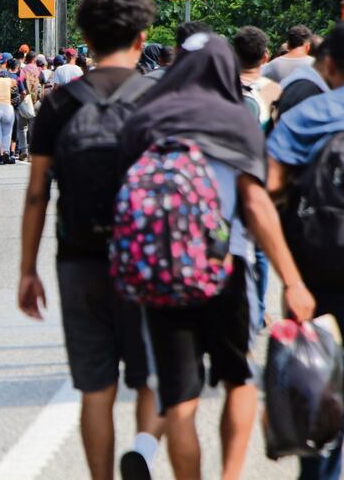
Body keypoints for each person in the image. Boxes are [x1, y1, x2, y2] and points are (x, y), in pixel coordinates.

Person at [120, 32, 315, 480]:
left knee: (179, 397)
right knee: (238, 379)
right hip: (227, 266)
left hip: (163, 270)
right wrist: (292, 280)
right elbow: (257, 205)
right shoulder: (235, 118)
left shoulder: (145, 119)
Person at [20, 0, 163, 480]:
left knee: (95, 390)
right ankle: (143, 452)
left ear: (85, 40)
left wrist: (27, 270)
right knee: (153, 378)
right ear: (141, 38)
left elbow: (37, 193)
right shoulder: (159, 99)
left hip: (79, 257)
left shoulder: (60, 103)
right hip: (148, 259)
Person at [266, 21, 344, 480]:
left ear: (328, 64)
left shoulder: (307, 116)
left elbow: (267, 193)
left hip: (316, 272)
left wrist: (290, 278)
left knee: (317, 385)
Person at [232, 26, 283, 329]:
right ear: (265, 56)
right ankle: (259, 309)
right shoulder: (274, 91)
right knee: (261, 248)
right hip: (260, 176)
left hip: (226, 177)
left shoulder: (221, 87)